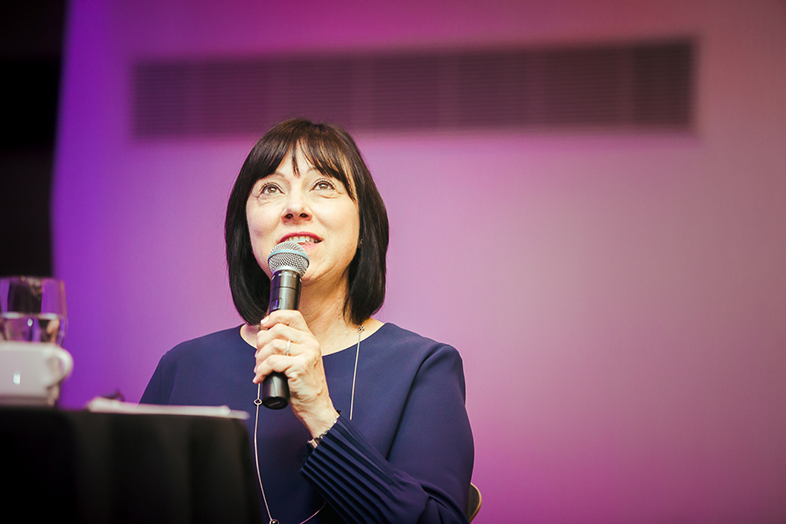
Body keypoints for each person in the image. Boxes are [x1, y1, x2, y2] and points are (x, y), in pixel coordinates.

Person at [140, 119, 474, 523]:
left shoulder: (423, 368)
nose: (294, 207)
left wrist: (320, 413)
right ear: (246, 230)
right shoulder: (183, 368)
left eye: (323, 185)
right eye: (271, 188)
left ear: (363, 226)